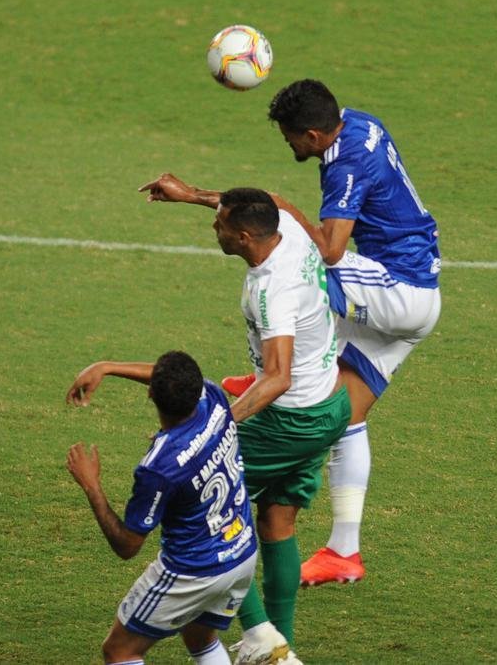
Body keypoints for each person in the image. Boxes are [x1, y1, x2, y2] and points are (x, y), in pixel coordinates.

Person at [144, 79, 441, 587]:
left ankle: (270, 373)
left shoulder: (345, 163)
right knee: (345, 415)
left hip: (400, 288)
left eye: (290, 138)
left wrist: (196, 195)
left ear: (313, 133)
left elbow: (324, 247)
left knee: (295, 264)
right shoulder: (358, 122)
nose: (288, 145)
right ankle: (344, 552)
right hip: (405, 292)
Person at [132, 186, 350, 663]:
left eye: (221, 226)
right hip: (331, 402)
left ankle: (256, 632)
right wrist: (190, 194)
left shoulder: (273, 289)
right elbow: (267, 196)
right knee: (277, 521)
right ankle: (280, 649)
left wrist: (216, 429)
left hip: (292, 417)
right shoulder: (286, 227)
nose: (215, 228)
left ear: (246, 236)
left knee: (209, 501)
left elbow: (277, 377)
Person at [65, 351, 259, 665]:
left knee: (120, 651)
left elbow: (128, 545)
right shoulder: (214, 396)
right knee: (200, 638)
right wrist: (107, 366)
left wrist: (91, 486)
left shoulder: (159, 468)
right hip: (241, 553)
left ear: (151, 393)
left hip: (193, 571)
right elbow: (168, 378)